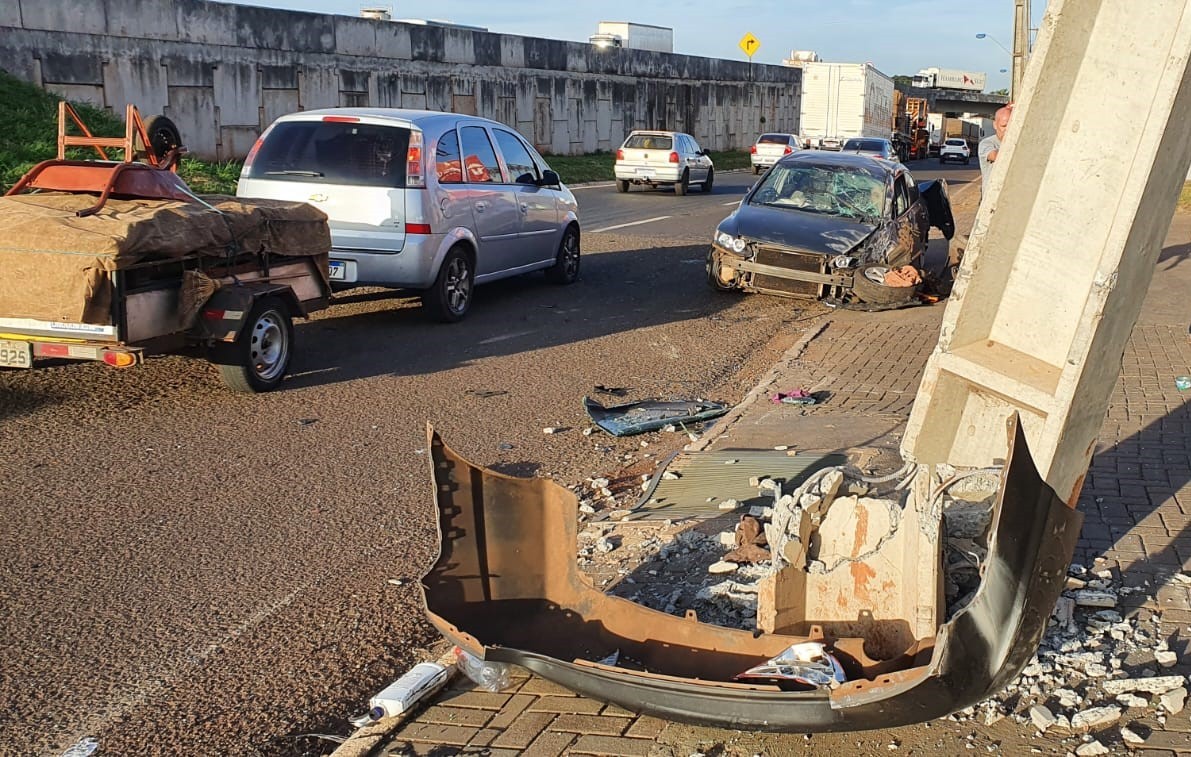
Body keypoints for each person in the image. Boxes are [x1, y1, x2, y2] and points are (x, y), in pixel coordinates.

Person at [979, 104, 1014, 188]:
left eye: (1011, 126)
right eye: (1004, 126)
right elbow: (995, 156)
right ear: (995, 125)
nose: (1007, 129)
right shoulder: (987, 143)